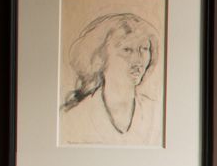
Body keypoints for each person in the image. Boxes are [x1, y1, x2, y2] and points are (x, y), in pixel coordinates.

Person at [60, 10, 161, 145]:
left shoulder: (156, 112)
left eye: (143, 49)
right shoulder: (74, 117)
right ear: (100, 58)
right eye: (127, 50)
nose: (138, 61)